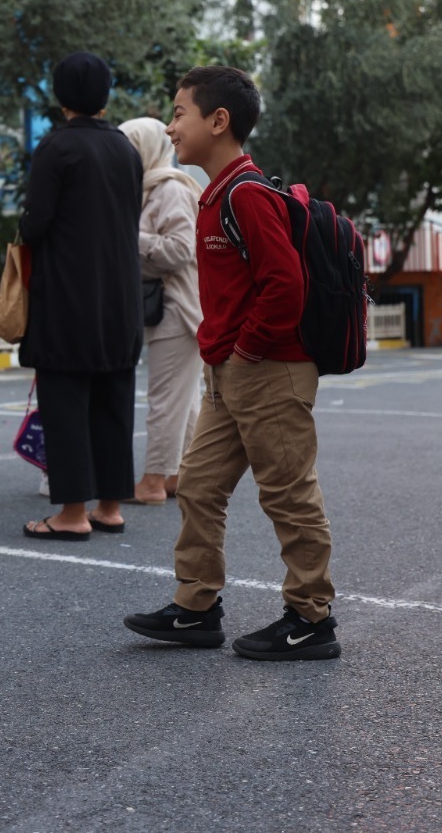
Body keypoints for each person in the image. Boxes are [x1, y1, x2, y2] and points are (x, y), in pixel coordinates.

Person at [123, 66, 339, 661]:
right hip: (231, 369)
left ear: (219, 122)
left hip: (267, 368)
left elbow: (284, 286)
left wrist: (244, 351)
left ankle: (311, 619)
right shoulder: (215, 191)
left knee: (289, 494)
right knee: (197, 485)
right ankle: (196, 608)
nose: (171, 127)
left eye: (179, 113)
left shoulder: (245, 193)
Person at [17, 53, 143, 538]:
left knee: (65, 401)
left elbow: (36, 224)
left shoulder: (57, 147)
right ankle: (109, 506)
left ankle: (71, 513)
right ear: (106, 94)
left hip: (69, 294)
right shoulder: (125, 149)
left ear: (60, 94)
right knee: (114, 399)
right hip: (120, 295)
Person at [118, 117, 205, 506]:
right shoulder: (146, 189)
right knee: (184, 400)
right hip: (169, 307)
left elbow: (179, 249)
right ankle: (179, 477)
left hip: (178, 307)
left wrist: (124, 237)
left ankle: (153, 481)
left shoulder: (168, 188)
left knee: (166, 399)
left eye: (129, 147)